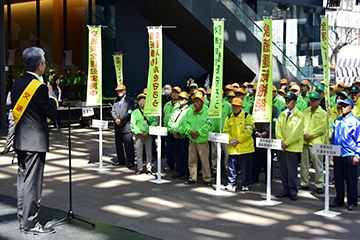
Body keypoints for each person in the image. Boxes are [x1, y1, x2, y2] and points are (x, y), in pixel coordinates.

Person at [11, 47, 57, 235]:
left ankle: (23, 218)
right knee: (33, 184)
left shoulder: (16, 84)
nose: (45, 66)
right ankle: (31, 223)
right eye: (44, 63)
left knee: (23, 182)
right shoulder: (38, 87)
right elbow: (51, 113)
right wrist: (52, 96)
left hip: (21, 140)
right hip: (35, 142)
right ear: (39, 65)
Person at [330, 98, 360, 211]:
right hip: (338, 153)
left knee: (351, 179)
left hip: (350, 153)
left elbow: (359, 139)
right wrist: (333, 151)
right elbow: (334, 137)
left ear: (351, 107)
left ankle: (352, 202)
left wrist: (357, 155)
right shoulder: (337, 121)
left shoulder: (356, 122)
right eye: (341, 105)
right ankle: (339, 199)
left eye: (345, 105)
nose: (342, 107)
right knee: (338, 178)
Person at [275, 92, 304, 200]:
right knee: (283, 170)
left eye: (290, 100)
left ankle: (293, 191)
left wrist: (286, 142)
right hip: (282, 146)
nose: (288, 102)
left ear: (295, 102)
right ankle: (285, 190)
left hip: (292, 147)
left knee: (292, 171)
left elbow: (297, 132)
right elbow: (278, 127)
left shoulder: (299, 115)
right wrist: (280, 140)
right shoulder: (282, 113)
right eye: (286, 100)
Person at [223, 98, 255, 191]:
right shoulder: (229, 117)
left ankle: (245, 184)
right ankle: (231, 183)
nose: (235, 107)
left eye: (237, 106)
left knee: (245, 168)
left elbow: (248, 131)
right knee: (231, 167)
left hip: (245, 148)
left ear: (241, 107)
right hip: (233, 147)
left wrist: (238, 140)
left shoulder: (247, 116)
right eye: (233, 105)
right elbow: (226, 130)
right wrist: (230, 139)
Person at [299, 92, 327, 194]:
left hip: (316, 142)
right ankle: (304, 182)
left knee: (318, 164)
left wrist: (310, 134)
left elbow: (322, 128)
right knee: (304, 164)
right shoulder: (306, 111)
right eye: (311, 100)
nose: (312, 102)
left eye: (314, 100)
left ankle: (319, 184)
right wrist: (304, 133)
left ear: (319, 101)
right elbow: (301, 124)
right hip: (305, 141)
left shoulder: (323, 113)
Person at [183, 91, 212, 186]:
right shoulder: (189, 112)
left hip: (202, 140)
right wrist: (190, 131)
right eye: (194, 102)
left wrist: (198, 132)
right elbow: (185, 123)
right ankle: (192, 177)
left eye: (198, 102)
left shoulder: (207, 112)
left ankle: (207, 178)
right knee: (192, 160)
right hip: (192, 140)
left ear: (202, 102)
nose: (195, 104)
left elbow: (208, 125)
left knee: (204, 161)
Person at [130, 93, 158, 175]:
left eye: (143, 101)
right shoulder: (135, 112)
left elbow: (154, 121)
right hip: (139, 135)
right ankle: (140, 168)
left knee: (149, 152)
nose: (142, 102)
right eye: (140, 101)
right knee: (139, 152)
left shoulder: (150, 111)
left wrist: (148, 131)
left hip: (148, 134)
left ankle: (149, 168)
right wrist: (139, 131)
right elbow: (132, 124)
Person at [167, 91, 191, 179]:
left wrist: (179, 132)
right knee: (177, 155)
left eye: (183, 99)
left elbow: (187, 124)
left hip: (183, 137)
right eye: (180, 98)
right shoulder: (175, 110)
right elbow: (170, 122)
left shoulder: (189, 111)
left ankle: (186, 173)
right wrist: (172, 130)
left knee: (185, 156)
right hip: (175, 136)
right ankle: (179, 171)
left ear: (187, 100)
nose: (180, 100)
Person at [111, 84, 135, 168]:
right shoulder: (116, 101)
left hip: (126, 126)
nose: (119, 92)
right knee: (118, 145)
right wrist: (116, 119)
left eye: (120, 90)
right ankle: (121, 160)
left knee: (128, 145)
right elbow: (113, 112)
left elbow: (129, 112)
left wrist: (121, 120)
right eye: (118, 91)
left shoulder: (130, 100)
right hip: (117, 126)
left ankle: (130, 161)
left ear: (125, 91)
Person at [163, 86, 181, 171]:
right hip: (168, 130)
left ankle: (178, 166)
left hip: (176, 130)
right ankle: (170, 164)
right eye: (173, 92)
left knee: (177, 150)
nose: (174, 94)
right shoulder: (167, 104)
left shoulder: (180, 105)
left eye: (176, 92)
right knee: (169, 149)